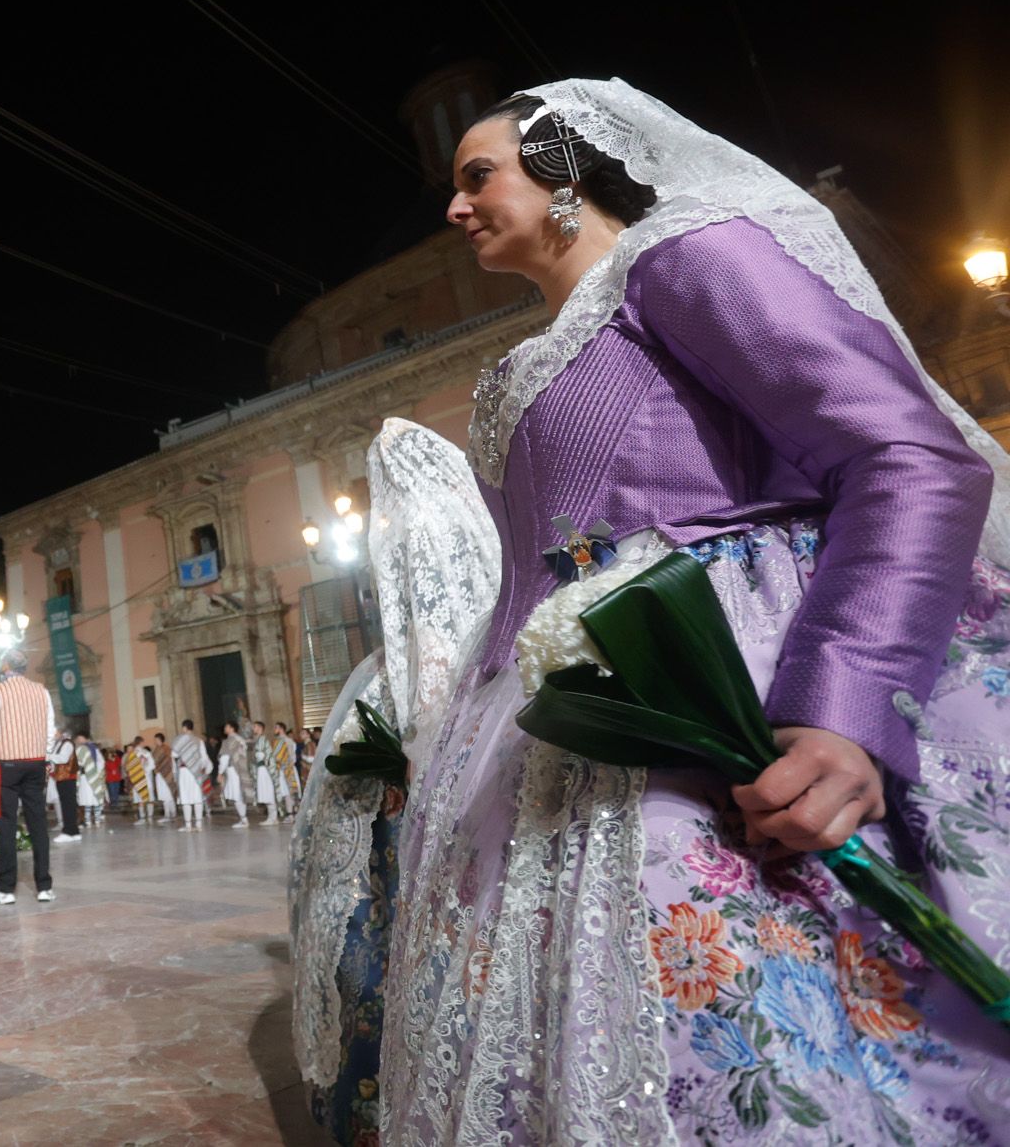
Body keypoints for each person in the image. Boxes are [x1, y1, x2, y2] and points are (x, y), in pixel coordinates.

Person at [370, 78, 1010, 1140]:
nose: (452, 206)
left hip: (739, 676)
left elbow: (907, 456)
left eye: (476, 174)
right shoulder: (512, 372)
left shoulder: (681, 258)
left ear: (565, 170)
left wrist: (841, 704)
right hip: (561, 736)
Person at [290, 420, 499, 1141]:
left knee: (384, 921)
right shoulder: (474, 528)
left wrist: (411, 740)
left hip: (413, 712)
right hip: (485, 706)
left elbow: (426, 650)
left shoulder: (412, 527)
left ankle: (378, 1105)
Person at [0, 647, 58, 904]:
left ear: (5, 667)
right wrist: (47, 755)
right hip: (35, 762)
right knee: (38, 824)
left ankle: (5, 889)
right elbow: (49, 728)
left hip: (7, 764)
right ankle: (44, 886)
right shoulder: (42, 691)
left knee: (6, 824)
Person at [170, 720, 211, 832]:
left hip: (184, 771)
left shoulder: (180, 739)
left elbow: (174, 754)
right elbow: (204, 757)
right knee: (197, 797)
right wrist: (201, 768)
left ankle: (188, 825)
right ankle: (199, 824)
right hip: (196, 771)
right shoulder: (199, 740)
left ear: (184, 728)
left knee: (185, 798)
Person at [47, 732, 81, 842]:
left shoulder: (67, 744)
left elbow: (63, 759)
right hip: (61, 777)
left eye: (54, 732)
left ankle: (68, 832)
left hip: (67, 778)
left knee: (68, 805)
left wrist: (47, 756)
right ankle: (74, 831)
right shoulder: (59, 744)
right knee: (67, 804)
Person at [217, 721, 250, 828]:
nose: (224, 728)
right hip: (242, 768)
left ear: (232, 728)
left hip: (233, 769)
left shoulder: (229, 741)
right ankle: (243, 818)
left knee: (237, 794)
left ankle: (244, 819)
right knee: (240, 793)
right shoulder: (240, 739)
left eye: (226, 726)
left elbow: (225, 758)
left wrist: (220, 772)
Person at [268, 722, 302, 819]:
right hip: (285, 769)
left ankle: (292, 814)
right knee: (287, 792)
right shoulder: (281, 740)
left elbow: (287, 756)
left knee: (289, 791)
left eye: (276, 727)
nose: (274, 729)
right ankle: (291, 813)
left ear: (281, 728)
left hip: (286, 769)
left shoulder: (284, 741)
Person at [75, 734, 105, 832]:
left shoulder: (93, 749)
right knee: (86, 800)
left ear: (85, 738)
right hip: (83, 778)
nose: (79, 740)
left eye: (81, 738)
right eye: (78, 738)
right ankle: (87, 821)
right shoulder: (78, 750)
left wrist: (95, 770)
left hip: (93, 776)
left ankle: (97, 820)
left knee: (95, 798)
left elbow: (101, 762)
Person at [149, 732, 178, 823]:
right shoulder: (156, 750)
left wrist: (173, 773)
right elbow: (153, 762)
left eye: (156, 739)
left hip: (167, 774)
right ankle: (170, 814)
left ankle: (169, 814)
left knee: (168, 794)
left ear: (160, 739)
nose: (155, 741)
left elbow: (172, 761)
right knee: (164, 794)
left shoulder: (167, 749)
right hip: (159, 775)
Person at [123, 739, 153, 820]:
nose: (128, 751)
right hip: (137, 778)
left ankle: (146, 817)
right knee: (142, 798)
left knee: (145, 798)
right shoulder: (143, 753)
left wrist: (143, 770)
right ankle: (145, 817)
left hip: (141, 778)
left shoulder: (140, 753)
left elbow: (151, 764)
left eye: (129, 749)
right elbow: (127, 768)